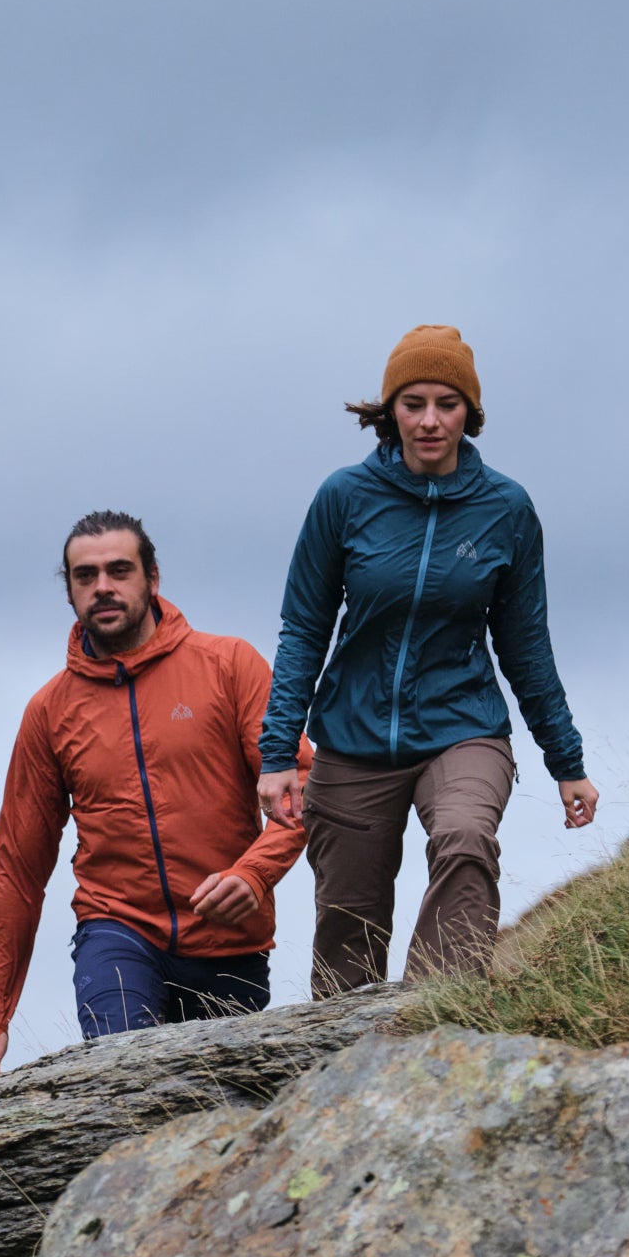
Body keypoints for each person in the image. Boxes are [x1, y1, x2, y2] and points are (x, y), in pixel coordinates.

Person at [257, 324, 599, 994]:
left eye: (448, 403)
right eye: (413, 403)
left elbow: (526, 647)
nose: (431, 420)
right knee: (348, 922)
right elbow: (304, 629)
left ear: (471, 412)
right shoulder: (344, 499)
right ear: (391, 412)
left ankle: (437, 1017)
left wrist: (568, 762)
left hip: (462, 724)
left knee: (466, 840)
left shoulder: (506, 509)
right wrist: (277, 755)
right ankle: (342, 1067)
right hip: (352, 736)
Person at [0, 511, 311, 1084]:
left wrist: (254, 875)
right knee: (129, 1086)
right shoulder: (50, 712)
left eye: (119, 570)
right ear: (71, 590)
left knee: (221, 1111)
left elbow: (303, 793)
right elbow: (17, 870)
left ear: (153, 578)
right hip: (117, 929)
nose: (102, 586)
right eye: (85, 576)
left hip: (229, 941)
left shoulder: (229, 666)